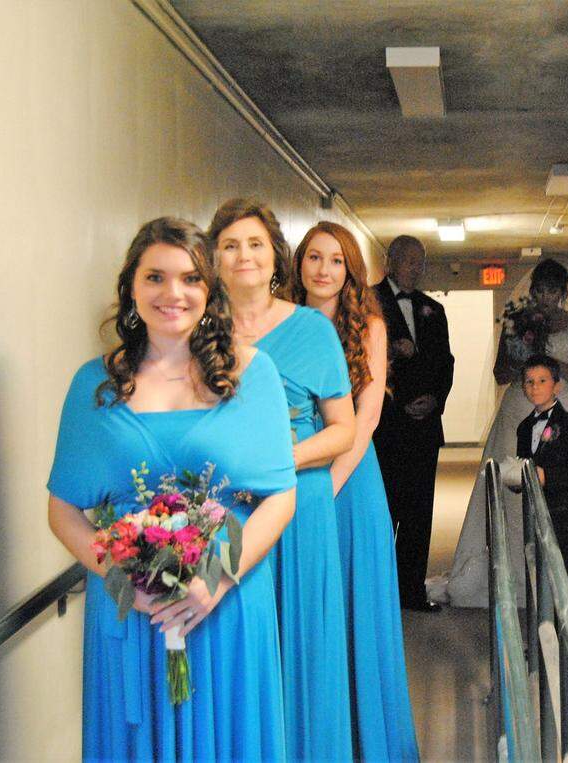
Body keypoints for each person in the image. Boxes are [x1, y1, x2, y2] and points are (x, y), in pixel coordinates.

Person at [47, 217, 296, 759]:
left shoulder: (253, 375)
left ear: (209, 290)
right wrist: (120, 579)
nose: (173, 293)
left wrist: (217, 579)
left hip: (226, 601)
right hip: (131, 608)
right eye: (155, 277)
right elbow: (62, 511)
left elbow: (281, 496)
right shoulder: (94, 384)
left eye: (190, 278)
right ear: (132, 288)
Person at [209, 199, 357, 760]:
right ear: (213, 259)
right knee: (238, 646)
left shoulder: (312, 329)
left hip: (300, 501)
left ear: (275, 257)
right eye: (229, 245)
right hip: (226, 507)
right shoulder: (201, 331)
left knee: (305, 645)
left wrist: (277, 461)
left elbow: (342, 430)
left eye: (254, 244)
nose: (243, 255)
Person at [295, 221, 419, 761]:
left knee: (353, 610)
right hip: (294, 474)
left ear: (351, 270)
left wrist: (324, 491)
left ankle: (366, 743)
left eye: (336, 260)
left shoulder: (368, 325)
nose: (323, 269)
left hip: (348, 479)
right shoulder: (282, 322)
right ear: (298, 263)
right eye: (314, 257)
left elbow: (365, 418)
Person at [439, 258, 568, 608]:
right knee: (513, 490)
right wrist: (525, 362)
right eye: (540, 291)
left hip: (565, 404)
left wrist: (548, 364)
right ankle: (514, 573)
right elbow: (500, 372)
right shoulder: (518, 323)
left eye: (552, 291)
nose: (545, 297)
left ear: (563, 292)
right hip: (519, 408)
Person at [372, 235, 454, 612]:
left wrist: (435, 399)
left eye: (420, 262)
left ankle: (411, 591)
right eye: (409, 261)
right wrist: (390, 350)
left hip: (424, 428)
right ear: (390, 261)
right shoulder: (367, 301)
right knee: (382, 511)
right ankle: (378, 593)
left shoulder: (433, 309)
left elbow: (445, 363)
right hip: (383, 427)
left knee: (419, 513)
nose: (416, 268)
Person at [515, 355, 568, 621]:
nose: (534, 387)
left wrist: (546, 476)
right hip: (537, 516)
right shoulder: (524, 428)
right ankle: (541, 632)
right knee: (540, 577)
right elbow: (524, 465)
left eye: (542, 381)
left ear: (556, 386)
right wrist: (516, 479)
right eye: (529, 382)